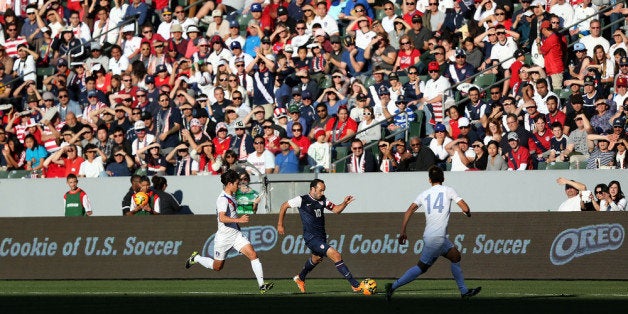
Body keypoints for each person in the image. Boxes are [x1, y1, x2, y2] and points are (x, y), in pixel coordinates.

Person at [385, 166, 481, 301]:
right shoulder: (448, 190)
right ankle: (393, 286)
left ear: (429, 180)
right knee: (421, 268)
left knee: (456, 256)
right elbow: (465, 208)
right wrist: (468, 213)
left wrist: (403, 231)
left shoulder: (424, 194)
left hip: (434, 236)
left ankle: (464, 292)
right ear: (443, 178)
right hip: (436, 238)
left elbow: (408, 211)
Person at [185, 170, 274, 293]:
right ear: (229, 184)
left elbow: (238, 212)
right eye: (237, 183)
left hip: (236, 235)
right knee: (217, 267)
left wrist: (253, 205)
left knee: (253, 254)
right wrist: (240, 220)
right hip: (223, 238)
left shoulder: (232, 197)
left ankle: (261, 285)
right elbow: (222, 218)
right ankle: (197, 258)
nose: (238, 186)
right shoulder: (222, 199)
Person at [277, 178, 364, 293]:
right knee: (336, 255)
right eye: (320, 190)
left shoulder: (323, 200)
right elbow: (284, 206)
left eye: (323, 191)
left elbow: (336, 210)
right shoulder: (301, 200)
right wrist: (280, 224)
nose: (322, 193)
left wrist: (344, 203)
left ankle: (300, 277)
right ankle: (355, 284)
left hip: (321, 236)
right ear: (312, 189)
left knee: (316, 258)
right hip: (310, 237)